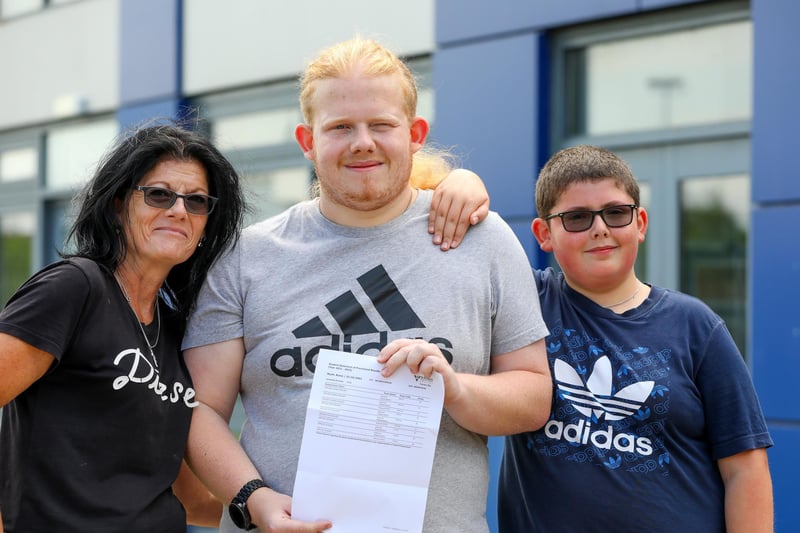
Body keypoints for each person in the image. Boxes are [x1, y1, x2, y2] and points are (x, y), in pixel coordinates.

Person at [181, 36, 552, 533]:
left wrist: (455, 388)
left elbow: (533, 397)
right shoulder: (245, 257)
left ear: (415, 132)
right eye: (340, 127)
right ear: (307, 140)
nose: (362, 142)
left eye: (381, 124)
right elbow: (201, 409)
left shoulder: (481, 240)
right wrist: (253, 499)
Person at [493, 145, 774, 532]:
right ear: (544, 233)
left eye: (616, 213)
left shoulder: (696, 327)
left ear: (640, 223)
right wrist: (463, 183)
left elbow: (745, 468)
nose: (600, 228)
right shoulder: (526, 303)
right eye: (576, 217)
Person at [0, 122, 248, 531]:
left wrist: (268, 509)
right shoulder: (74, 289)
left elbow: (180, 493)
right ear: (117, 204)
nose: (179, 210)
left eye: (197, 201)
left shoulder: (175, 329)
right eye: (158, 194)